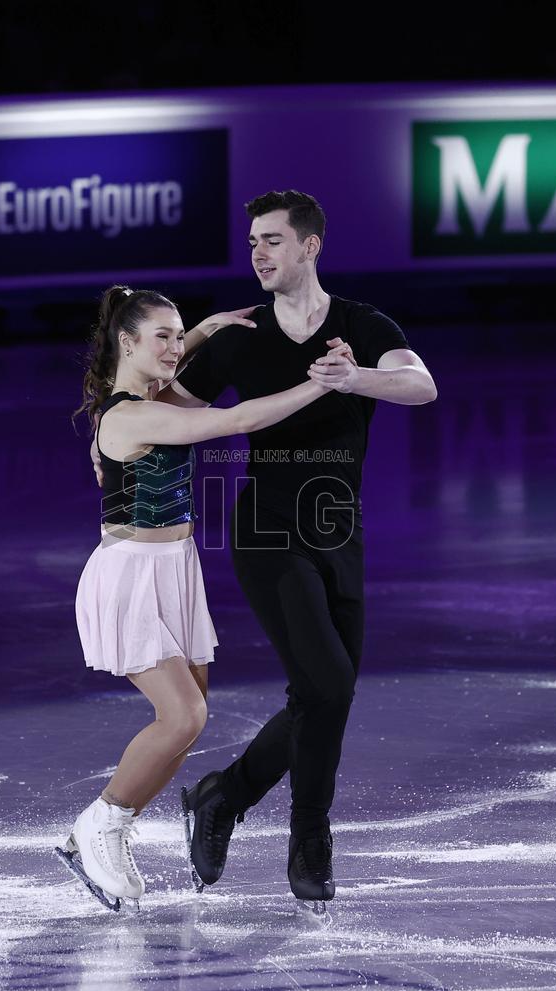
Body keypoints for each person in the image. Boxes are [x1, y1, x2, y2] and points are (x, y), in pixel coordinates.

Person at [150, 190, 438, 915]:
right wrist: (199, 338)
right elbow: (167, 404)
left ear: (311, 246)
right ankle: (310, 839)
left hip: (341, 532)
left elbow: (421, 385)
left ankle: (222, 795)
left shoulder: (361, 325)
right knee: (331, 688)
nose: (258, 252)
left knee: (321, 693)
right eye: (252, 241)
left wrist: (354, 378)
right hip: (267, 533)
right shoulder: (243, 337)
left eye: (273, 240)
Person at [60, 283, 345, 910]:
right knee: (181, 717)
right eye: (159, 335)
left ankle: (113, 827)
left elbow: (165, 364)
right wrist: (324, 383)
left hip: (174, 569)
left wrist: (205, 329)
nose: (173, 346)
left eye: (176, 333)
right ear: (127, 342)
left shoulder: (151, 389)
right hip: (130, 576)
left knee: (191, 718)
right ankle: (100, 823)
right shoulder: (130, 415)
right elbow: (234, 420)